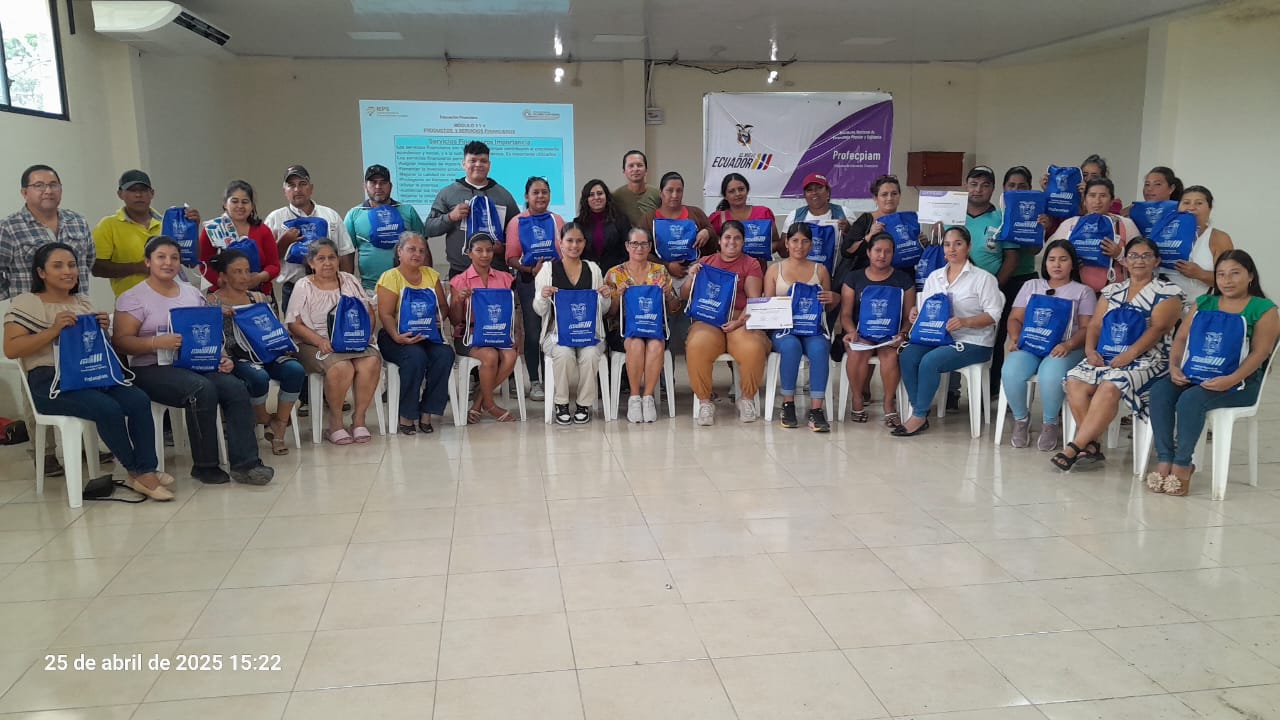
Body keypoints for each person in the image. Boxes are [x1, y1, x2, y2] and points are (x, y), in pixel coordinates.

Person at [4, 243, 172, 500]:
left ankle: (147, 468)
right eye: (58, 266)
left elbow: (94, 348)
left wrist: (102, 331)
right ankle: (137, 472)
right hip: (50, 382)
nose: (68, 271)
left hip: (91, 375)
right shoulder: (26, 303)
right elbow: (11, 349)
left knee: (138, 399)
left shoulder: (83, 302)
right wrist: (53, 331)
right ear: (41, 272)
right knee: (107, 408)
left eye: (72, 265)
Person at [113, 236, 274, 486]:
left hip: (194, 362)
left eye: (174, 258)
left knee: (235, 387)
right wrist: (155, 343)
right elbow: (120, 342)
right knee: (201, 389)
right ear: (147, 262)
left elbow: (208, 331)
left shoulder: (191, 293)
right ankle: (205, 466)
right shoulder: (133, 297)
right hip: (151, 368)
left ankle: (247, 464)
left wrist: (221, 357)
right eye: (161, 257)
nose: (168, 263)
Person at [1148, 250, 1278, 495]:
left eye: (1235, 273)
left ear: (1250, 276)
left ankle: (1183, 465)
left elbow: (1261, 353)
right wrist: (1174, 367)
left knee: (1191, 399)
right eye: (1221, 274)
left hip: (1241, 383)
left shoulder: (1264, 308)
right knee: (1160, 391)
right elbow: (1181, 338)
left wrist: (1231, 379)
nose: (1227, 280)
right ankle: (1165, 458)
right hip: (1196, 373)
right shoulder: (1204, 303)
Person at [1054, 237, 1182, 471]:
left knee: (1110, 385)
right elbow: (1095, 325)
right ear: (1124, 260)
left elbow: (1159, 329)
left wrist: (1130, 354)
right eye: (1133, 256)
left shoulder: (1168, 292)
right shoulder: (1112, 290)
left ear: (1156, 261)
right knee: (1074, 381)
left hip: (1149, 359)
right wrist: (1090, 351)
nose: (1139, 261)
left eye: (1146, 256)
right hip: (1107, 355)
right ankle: (1091, 444)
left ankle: (1075, 446)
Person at [895, 226, 1003, 437]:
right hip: (937, 337)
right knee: (907, 355)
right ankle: (920, 409)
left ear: (968, 247)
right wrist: (916, 313)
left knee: (930, 361)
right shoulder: (934, 277)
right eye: (947, 244)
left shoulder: (983, 278)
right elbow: (927, 309)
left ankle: (918, 415)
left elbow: (994, 315)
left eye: (958, 244)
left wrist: (965, 321)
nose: (952, 249)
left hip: (974, 340)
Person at [1000, 240, 1097, 451]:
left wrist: (1068, 345)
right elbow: (1015, 318)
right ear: (1045, 263)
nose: (1057, 265)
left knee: (1050, 374)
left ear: (1072, 263)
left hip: (1065, 348)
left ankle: (1050, 423)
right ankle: (1021, 420)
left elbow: (1087, 328)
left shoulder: (1083, 291)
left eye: (1063, 259)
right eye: (1052, 259)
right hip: (1031, 344)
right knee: (1011, 371)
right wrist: (1015, 338)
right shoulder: (1031, 286)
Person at [207, 249, 305, 456]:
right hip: (236, 357)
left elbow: (272, 328)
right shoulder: (211, 302)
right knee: (258, 377)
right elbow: (209, 337)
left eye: (247, 271)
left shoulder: (258, 297)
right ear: (223, 276)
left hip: (265, 351)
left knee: (295, 370)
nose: (245, 277)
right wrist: (216, 313)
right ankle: (263, 418)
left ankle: (279, 425)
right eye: (237, 272)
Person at [285, 239, 383, 445]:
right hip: (313, 343)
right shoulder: (303, 285)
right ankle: (335, 423)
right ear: (311, 263)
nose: (327, 263)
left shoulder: (349, 280)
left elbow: (367, 311)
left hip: (352, 339)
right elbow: (294, 324)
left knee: (371, 361)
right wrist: (319, 341)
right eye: (321, 258)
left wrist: (366, 333)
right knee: (341, 367)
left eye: (332, 257)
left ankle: (359, 419)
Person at [679, 219, 769, 425]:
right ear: (719, 241)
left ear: (743, 242)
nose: (732, 242)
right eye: (727, 237)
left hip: (740, 319)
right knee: (697, 345)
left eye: (737, 238)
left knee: (753, 347)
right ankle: (705, 402)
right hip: (708, 321)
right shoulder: (706, 262)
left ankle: (746, 399)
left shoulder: (751, 264)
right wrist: (691, 277)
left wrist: (738, 323)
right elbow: (684, 295)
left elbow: (754, 300)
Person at [375, 231, 455, 435]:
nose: (417, 254)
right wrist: (397, 337)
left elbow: (443, 306)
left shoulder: (431, 275)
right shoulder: (390, 277)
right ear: (399, 252)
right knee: (415, 357)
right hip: (395, 335)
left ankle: (427, 411)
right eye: (411, 249)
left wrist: (440, 316)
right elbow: (385, 314)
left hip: (427, 334)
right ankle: (407, 414)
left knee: (445, 355)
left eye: (421, 251)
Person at [532, 223, 612, 424]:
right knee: (564, 353)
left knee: (591, 354)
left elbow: (602, 310)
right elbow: (540, 310)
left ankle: (584, 404)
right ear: (560, 243)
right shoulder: (548, 270)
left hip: (588, 333)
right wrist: (542, 296)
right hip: (556, 333)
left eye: (579, 241)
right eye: (569, 241)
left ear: (584, 243)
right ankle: (561, 402)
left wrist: (605, 297)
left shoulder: (593, 269)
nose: (574, 245)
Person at [763, 223, 839, 432]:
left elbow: (828, 306)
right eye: (795, 241)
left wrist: (833, 298)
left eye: (805, 241)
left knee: (820, 348)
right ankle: (788, 404)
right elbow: (768, 306)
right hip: (784, 329)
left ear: (811, 245)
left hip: (812, 328)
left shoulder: (820, 270)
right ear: (786, 243)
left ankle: (816, 409)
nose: (800, 246)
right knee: (791, 347)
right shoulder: (774, 269)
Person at [839, 232, 916, 428]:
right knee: (857, 353)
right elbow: (845, 314)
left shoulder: (904, 280)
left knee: (890, 357)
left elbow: (909, 316)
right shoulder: (853, 278)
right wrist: (851, 332)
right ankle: (857, 398)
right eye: (877, 250)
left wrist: (903, 334)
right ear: (868, 252)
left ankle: (889, 403)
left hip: (891, 336)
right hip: (861, 333)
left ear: (893, 254)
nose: (882, 255)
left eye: (887, 251)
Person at [604, 227, 676, 423]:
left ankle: (648, 397)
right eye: (635, 243)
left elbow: (674, 308)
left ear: (650, 246)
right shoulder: (614, 274)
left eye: (644, 244)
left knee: (656, 344)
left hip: (654, 328)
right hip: (623, 330)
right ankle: (635, 397)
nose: (639, 248)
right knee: (636, 344)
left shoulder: (660, 271)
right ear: (627, 246)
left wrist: (668, 294)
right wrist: (618, 296)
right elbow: (608, 313)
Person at [448, 232, 522, 423]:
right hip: (469, 334)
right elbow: (455, 321)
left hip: (499, 333)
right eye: (479, 250)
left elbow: (512, 311)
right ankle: (490, 404)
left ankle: (479, 401)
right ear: (468, 253)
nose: (485, 255)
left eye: (489, 250)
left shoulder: (506, 278)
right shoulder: (459, 281)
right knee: (490, 356)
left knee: (510, 355)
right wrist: (458, 301)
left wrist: (517, 335)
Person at [91, 169, 201, 297]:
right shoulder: (108, 225)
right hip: (132, 302)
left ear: (152, 193)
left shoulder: (168, 223)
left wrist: (192, 229)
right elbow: (96, 268)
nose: (138, 195)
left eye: (143, 190)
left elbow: (191, 262)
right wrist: (137, 267)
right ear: (120, 194)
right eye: (132, 190)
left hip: (171, 299)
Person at [263, 164, 356, 313]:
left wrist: (346, 288)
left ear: (311, 188)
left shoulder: (330, 215)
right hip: (293, 288)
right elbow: (266, 261)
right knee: (296, 327)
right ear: (284, 191)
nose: (297, 190)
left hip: (330, 287)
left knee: (332, 326)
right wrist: (283, 243)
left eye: (302, 184)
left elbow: (345, 253)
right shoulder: (275, 219)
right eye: (291, 185)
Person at [505, 177, 566, 402]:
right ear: (526, 196)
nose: (540, 196)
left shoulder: (557, 220)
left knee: (553, 330)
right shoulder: (516, 222)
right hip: (529, 281)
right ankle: (534, 381)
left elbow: (566, 249)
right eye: (535, 192)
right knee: (532, 332)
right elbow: (511, 257)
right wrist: (530, 269)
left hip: (556, 282)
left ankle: (553, 378)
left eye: (544, 192)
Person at [426, 141, 520, 279]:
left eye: (483, 161)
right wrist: (450, 217)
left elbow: (518, 231)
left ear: (489, 165)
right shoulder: (448, 193)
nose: (478, 164)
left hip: (497, 273)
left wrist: (504, 248)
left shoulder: (503, 195)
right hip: (460, 272)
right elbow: (429, 228)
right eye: (473, 160)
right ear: (463, 164)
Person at [0, 165, 94, 300]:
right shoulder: (8, 228)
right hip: (33, 310)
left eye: (53, 185)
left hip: (77, 307)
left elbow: (88, 261)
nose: (48, 191)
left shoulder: (78, 222)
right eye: (39, 185)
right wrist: (17, 293)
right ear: (25, 192)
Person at [1045, 178, 1140, 293]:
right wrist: (1069, 260)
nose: (1097, 201)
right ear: (1084, 200)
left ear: (1111, 201)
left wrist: (1120, 254)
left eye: (1103, 196)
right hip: (1074, 293)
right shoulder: (1070, 224)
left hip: (1114, 294)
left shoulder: (1125, 224)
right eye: (1092, 195)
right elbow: (1049, 256)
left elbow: (1142, 260)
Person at [345, 164, 428, 292]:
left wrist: (426, 283)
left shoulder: (407, 210)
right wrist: (347, 287)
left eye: (383, 182)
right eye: (373, 183)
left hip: (408, 287)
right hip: (370, 288)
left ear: (390, 186)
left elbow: (423, 248)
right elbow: (347, 253)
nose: (378, 187)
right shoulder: (354, 214)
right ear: (365, 186)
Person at [198, 180, 281, 296]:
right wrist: (222, 282)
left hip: (259, 295)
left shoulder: (263, 231)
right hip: (222, 295)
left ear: (252, 205)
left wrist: (259, 277)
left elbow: (274, 265)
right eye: (235, 201)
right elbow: (204, 264)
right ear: (225, 204)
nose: (240, 206)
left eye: (245, 202)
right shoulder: (213, 229)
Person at [1160, 185, 1234, 305]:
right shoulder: (1162, 234)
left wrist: (1200, 274)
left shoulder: (1219, 238)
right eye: (1186, 203)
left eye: (1199, 203)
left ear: (1209, 209)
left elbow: (1230, 279)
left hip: (1203, 306)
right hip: (1164, 306)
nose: (1191, 207)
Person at [639, 171, 717, 281]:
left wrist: (707, 232)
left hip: (695, 274)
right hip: (659, 276)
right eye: (670, 190)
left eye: (679, 190)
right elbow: (640, 250)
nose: (675, 195)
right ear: (661, 193)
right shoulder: (648, 219)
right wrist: (666, 266)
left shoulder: (696, 213)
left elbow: (714, 241)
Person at [709, 173, 781, 262]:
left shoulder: (763, 213)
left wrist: (760, 251)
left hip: (758, 268)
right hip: (727, 269)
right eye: (732, 191)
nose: (737, 194)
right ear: (725, 196)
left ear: (747, 190)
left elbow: (776, 242)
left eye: (741, 189)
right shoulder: (717, 218)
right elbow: (711, 248)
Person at [573, 179, 631, 272]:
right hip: (588, 273)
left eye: (600, 193)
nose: (596, 197)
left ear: (606, 196)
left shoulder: (621, 220)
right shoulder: (578, 223)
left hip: (616, 273)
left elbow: (628, 250)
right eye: (591, 195)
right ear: (586, 199)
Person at [613, 150, 661, 227]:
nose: (635, 169)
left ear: (646, 170)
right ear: (624, 170)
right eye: (631, 166)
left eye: (639, 165)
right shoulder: (616, 197)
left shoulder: (658, 194)